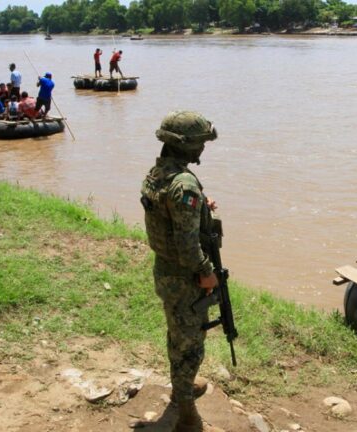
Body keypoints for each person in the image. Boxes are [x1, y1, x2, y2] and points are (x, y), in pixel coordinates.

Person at [140, 111, 222, 432]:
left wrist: (200, 203)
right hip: (185, 276)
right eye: (200, 143)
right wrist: (206, 272)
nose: (203, 149)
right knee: (190, 342)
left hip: (165, 270)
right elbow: (189, 246)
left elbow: (169, 210)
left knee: (179, 333)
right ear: (185, 146)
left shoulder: (158, 173)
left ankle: (182, 388)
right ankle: (186, 411)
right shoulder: (184, 184)